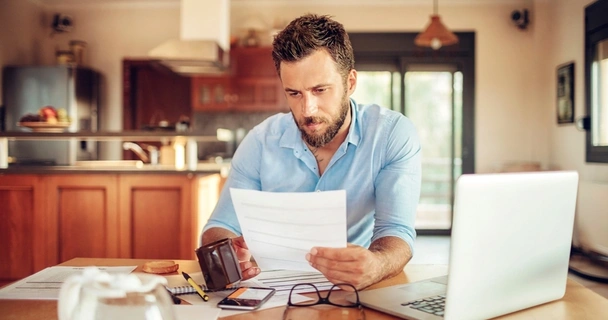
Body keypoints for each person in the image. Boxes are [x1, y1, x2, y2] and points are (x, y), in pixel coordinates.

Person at [201, 13, 421, 290]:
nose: (308, 110)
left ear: (350, 83)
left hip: (354, 289)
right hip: (273, 289)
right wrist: (226, 256)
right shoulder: (259, 141)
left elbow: (396, 231)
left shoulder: (391, 135)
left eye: (320, 90)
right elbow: (219, 225)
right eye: (294, 93)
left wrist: (376, 264)